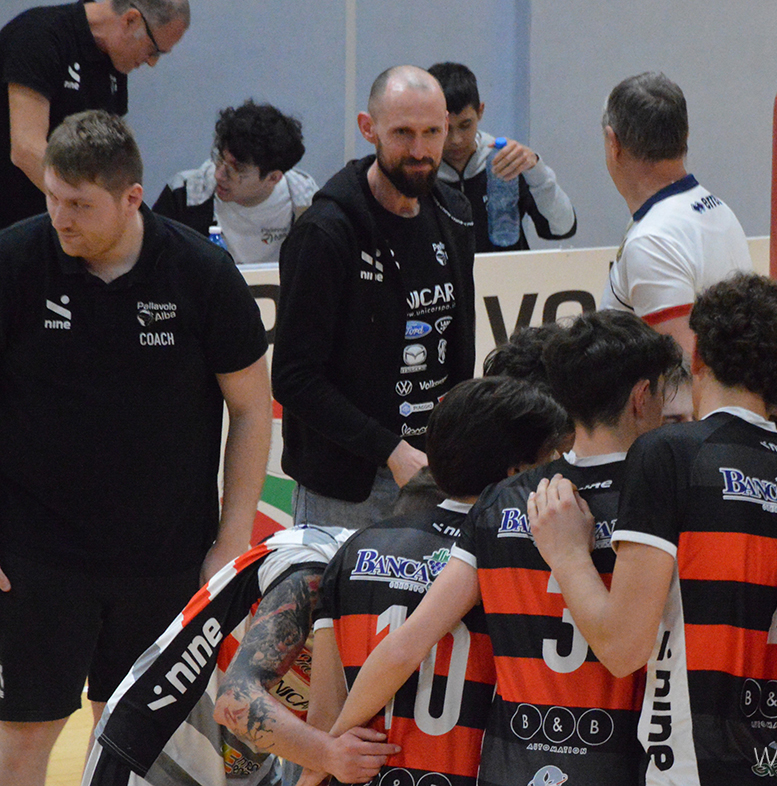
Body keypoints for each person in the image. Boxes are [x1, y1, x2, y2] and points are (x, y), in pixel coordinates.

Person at [0, 109, 270, 786]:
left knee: (135, 740)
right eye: (52, 197)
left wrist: (232, 539)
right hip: (36, 556)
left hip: (163, 558)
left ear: (131, 198)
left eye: (79, 205)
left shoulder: (202, 274)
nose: (60, 218)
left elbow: (250, 408)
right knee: (23, 736)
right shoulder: (14, 262)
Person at [328, 311, 681, 785]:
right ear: (642, 397)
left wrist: (325, 754)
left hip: (511, 767)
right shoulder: (663, 493)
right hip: (621, 764)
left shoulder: (501, 499)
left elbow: (405, 646)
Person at [530, 273, 777, 785]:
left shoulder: (671, 453)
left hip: (699, 765)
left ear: (698, 359)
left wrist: (567, 556)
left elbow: (623, 647)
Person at [310, 376, 570, 786]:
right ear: (517, 472)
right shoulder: (521, 560)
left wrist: (319, 766)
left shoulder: (356, 548)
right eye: (551, 461)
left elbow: (323, 714)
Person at [272, 65, 476, 532]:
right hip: (345, 490)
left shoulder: (455, 212)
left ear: (447, 126)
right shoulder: (326, 232)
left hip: (434, 473)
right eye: (403, 133)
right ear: (369, 128)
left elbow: (457, 347)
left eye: (432, 132)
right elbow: (293, 377)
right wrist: (390, 449)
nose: (420, 151)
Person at [81, 525, 398, 786]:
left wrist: (325, 760)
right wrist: (328, 755)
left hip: (246, 770)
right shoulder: (310, 566)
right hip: (152, 750)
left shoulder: (397, 603)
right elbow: (235, 702)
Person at [598, 72, 752, 358]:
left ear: (613, 143)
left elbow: (682, 371)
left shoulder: (652, 241)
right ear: (685, 136)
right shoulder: (717, 209)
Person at [0, 0, 190, 229]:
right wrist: (88, 209)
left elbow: (108, 160)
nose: (152, 62)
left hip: (57, 223)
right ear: (130, 20)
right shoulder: (39, 36)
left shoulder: (114, 62)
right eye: (154, 50)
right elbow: (25, 149)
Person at [428, 61, 576, 253]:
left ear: (480, 111)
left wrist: (536, 170)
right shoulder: (419, 172)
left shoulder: (506, 162)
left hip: (511, 271)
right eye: (446, 128)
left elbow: (562, 228)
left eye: (465, 125)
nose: (456, 140)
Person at [153, 100, 317, 265]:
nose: (218, 175)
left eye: (236, 169)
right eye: (219, 159)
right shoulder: (184, 195)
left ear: (273, 178)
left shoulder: (306, 201)